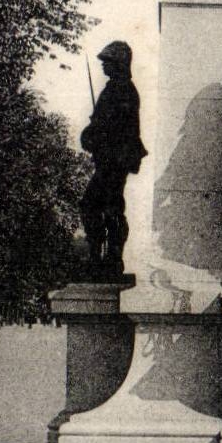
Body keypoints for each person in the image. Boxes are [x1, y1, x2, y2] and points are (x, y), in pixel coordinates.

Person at [79, 40, 147, 278]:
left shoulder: (123, 90)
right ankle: (100, 255)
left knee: (106, 206)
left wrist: (94, 134)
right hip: (109, 159)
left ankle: (111, 257)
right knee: (96, 205)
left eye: (107, 62)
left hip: (115, 160)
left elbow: (118, 128)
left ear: (118, 63)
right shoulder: (114, 89)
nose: (103, 66)